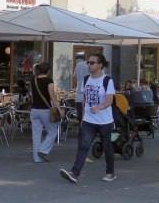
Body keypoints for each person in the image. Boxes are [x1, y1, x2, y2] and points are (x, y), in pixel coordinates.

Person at [60, 54, 116, 184]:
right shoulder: (86, 79)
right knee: (83, 146)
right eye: (88, 63)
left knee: (107, 147)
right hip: (89, 120)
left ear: (100, 65)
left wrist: (99, 108)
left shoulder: (107, 80)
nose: (89, 65)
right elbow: (85, 98)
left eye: (92, 63)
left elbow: (109, 101)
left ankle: (110, 172)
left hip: (104, 121)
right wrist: (84, 116)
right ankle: (74, 173)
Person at [30, 63, 60, 163]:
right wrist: (60, 109)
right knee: (52, 131)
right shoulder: (48, 80)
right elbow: (52, 97)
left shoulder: (33, 80)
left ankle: (36, 158)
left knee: (36, 134)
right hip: (45, 110)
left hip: (34, 110)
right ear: (48, 71)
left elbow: (32, 96)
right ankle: (43, 150)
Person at [73, 54, 89, 120]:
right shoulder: (93, 67)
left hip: (78, 95)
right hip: (88, 97)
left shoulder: (79, 65)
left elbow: (75, 76)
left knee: (80, 119)